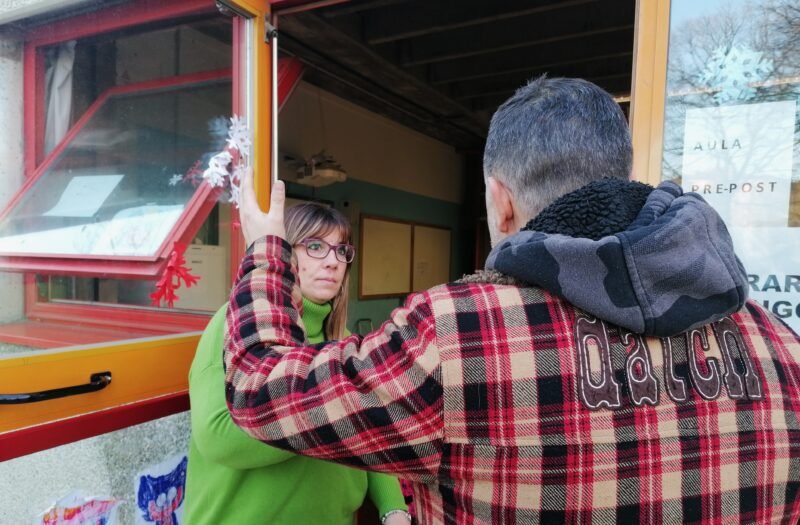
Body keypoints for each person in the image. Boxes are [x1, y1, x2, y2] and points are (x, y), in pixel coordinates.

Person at [223, 77, 800, 524]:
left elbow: (258, 388)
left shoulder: (454, 339)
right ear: (621, 175)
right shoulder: (781, 348)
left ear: (500, 202)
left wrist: (267, 249)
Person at [184, 203, 410, 525]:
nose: (333, 261)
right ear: (284, 252)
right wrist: (336, 414)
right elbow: (218, 439)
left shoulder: (345, 339)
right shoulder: (235, 325)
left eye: (341, 250)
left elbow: (369, 427)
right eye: (315, 246)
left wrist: (393, 507)